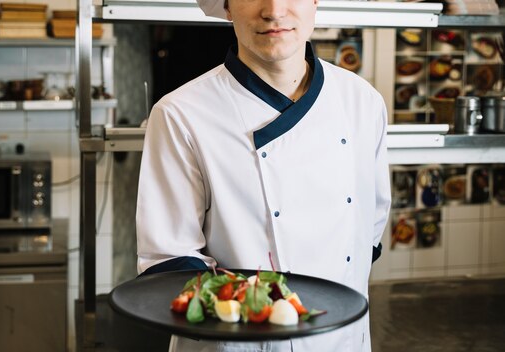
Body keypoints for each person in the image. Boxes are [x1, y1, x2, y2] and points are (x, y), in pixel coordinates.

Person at [135, 0, 392, 350]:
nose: (274, 10)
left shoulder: (363, 102)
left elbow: (369, 233)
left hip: (343, 340)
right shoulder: (181, 114)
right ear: (226, 6)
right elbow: (170, 262)